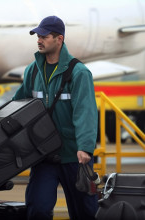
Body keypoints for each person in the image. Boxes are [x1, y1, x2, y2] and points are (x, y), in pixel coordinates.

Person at [12, 16, 98, 220]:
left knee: (85, 212)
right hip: (43, 156)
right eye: (38, 36)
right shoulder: (32, 71)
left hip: (74, 157)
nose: (39, 40)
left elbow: (85, 111)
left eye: (44, 36)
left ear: (59, 39)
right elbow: (17, 106)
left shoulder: (79, 73)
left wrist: (85, 147)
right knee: (38, 209)